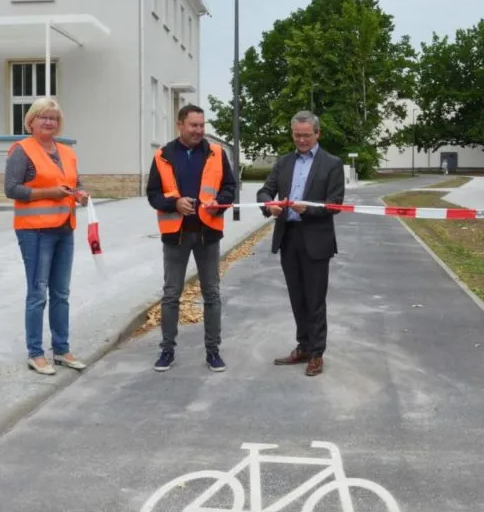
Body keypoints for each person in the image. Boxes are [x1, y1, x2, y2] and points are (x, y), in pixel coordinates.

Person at [146, 103, 237, 373]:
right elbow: (153, 194)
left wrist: (217, 201)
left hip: (208, 233)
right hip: (176, 235)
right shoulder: (163, 155)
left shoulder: (217, 153)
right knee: (172, 294)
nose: (199, 130)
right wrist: (174, 204)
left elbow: (230, 188)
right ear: (180, 125)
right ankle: (167, 351)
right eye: (193, 125)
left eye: (201, 125)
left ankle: (213, 352)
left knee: (212, 293)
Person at [4, 97, 90, 376]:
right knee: (38, 293)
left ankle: (62, 350)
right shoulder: (22, 151)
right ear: (31, 121)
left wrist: (81, 194)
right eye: (43, 116)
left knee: (61, 293)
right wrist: (48, 194)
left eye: (53, 117)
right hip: (35, 231)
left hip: (64, 227)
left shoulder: (66, 152)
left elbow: (75, 183)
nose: (49, 122)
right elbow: (12, 189)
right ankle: (36, 353)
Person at [256, 111, 345, 377]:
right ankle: (303, 346)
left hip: (316, 239)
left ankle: (317, 353)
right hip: (288, 237)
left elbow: (335, 203)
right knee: (297, 298)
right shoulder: (283, 163)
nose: (302, 140)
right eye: (297, 135)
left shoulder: (332, 163)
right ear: (292, 133)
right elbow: (264, 191)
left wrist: (309, 209)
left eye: (307, 135)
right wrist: (268, 205)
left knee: (315, 299)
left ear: (317, 134)